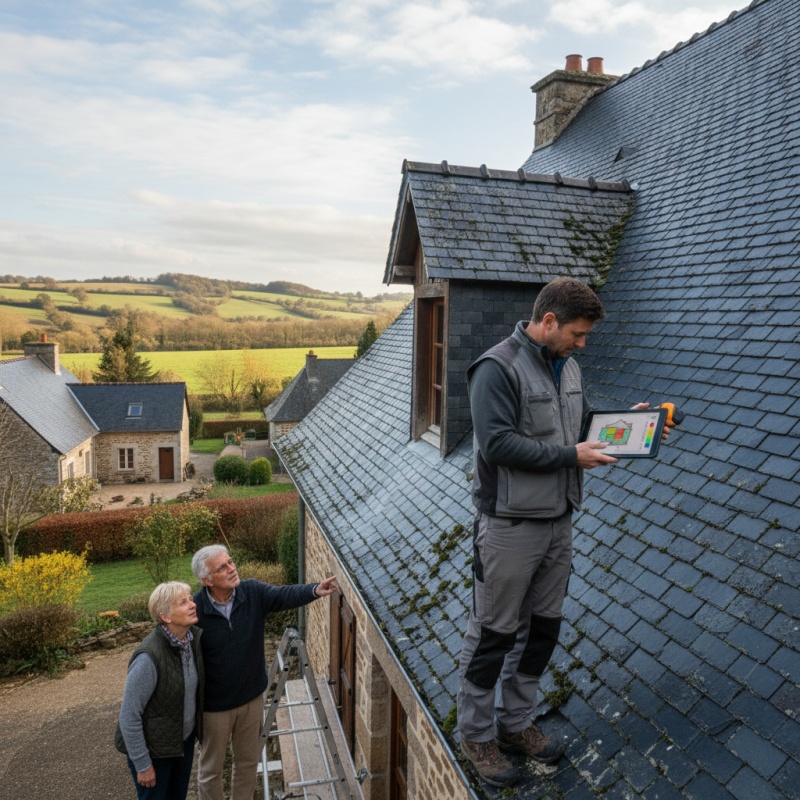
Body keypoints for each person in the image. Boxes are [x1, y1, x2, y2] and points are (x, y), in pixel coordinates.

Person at [457, 277, 669, 787]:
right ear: (548, 321)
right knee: (493, 634)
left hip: (559, 521)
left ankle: (516, 724)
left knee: (542, 630)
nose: (582, 343)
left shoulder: (566, 365)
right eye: (577, 333)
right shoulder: (496, 368)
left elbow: (577, 427)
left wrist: (626, 423)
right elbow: (497, 445)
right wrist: (570, 456)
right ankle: (477, 737)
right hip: (509, 526)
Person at [191, 544, 338, 800]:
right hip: (214, 709)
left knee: (247, 765)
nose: (231, 569)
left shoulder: (252, 592)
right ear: (207, 579)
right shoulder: (196, 611)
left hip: (251, 701)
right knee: (211, 771)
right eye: (222, 567)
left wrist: (314, 589)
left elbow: (284, 595)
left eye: (231, 562)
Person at [116, 582, 204, 800]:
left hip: (180, 744)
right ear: (165, 616)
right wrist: (142, 764)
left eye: (190, 599)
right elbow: (129, 716)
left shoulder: (190, 641)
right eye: (183, 602)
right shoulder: (148, 657)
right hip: (153, 753)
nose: (192, 605)